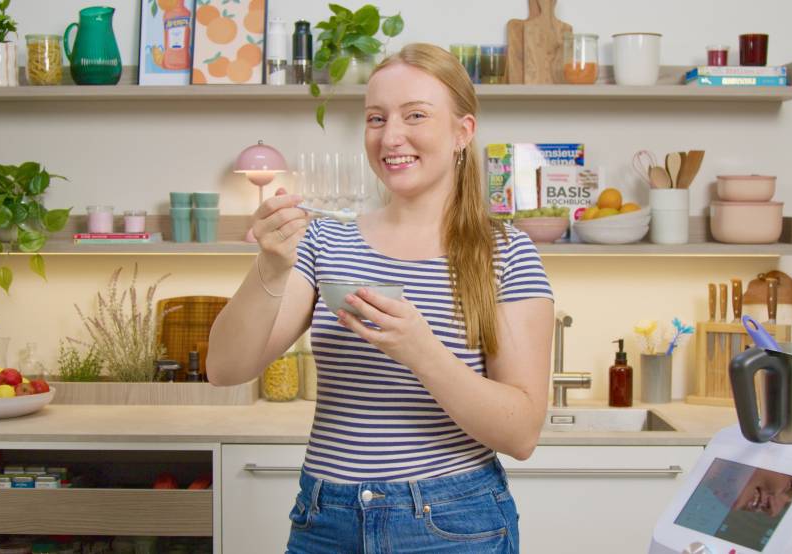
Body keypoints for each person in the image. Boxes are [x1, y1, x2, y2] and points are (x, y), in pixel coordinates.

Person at [207, 42, 554, 553]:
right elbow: (225, 368)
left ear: (463, 131)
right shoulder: (325, 242)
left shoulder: (506, 253)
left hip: (452, 525)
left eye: (415, 115)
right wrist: (271, 266)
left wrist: (421, 350)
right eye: (376, 118)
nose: (391, 137)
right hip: (325, 521)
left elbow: (521, 434)